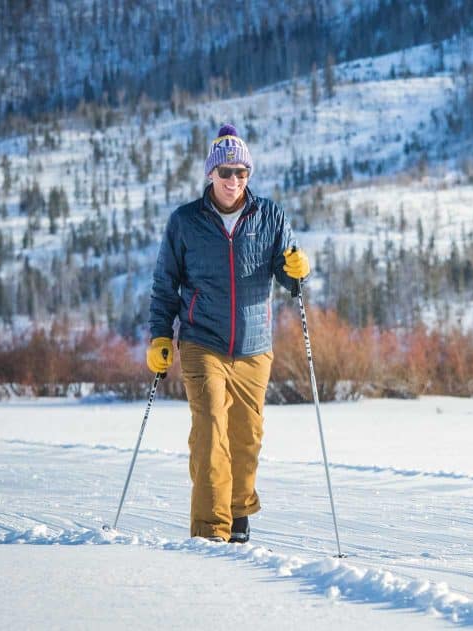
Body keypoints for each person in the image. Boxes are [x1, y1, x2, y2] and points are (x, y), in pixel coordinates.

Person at [147, 123, 310, 543]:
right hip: (203, 342)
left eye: (241, 172)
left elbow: (288, 276)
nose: (233, 181)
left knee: (247, 437)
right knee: (209, 432)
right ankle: (210, 531)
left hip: (255, 348)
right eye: (225, 173)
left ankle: (238, 512)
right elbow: (165, 285)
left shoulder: (270, 215)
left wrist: (296, 272)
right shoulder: (185, 222)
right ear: (210, 175)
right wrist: (161, 337)